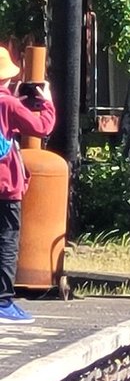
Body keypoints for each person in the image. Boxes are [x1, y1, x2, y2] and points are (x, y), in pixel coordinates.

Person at [0, 46, 56, 324]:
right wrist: (46, 101)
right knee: (7, 239)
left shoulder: (9, 103)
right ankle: (2, 301)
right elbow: (42, 127)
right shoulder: (8, 104)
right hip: (5, 185)